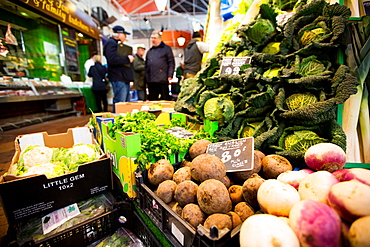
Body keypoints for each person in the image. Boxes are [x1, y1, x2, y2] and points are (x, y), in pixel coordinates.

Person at [103, 25, 135, 112]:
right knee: (120, 102)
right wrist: (127, 59)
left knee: (125, 102)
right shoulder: (111, 43)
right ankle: (117, 120)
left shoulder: (115, 44)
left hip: (123, 77)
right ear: (119, 34)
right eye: (124, 34)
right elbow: (112, 60)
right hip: (118, 77)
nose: (125, 37)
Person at [145, 31, 175, 101]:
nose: (153, 40)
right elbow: (146, 66)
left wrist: (170, 75)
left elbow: (171, 62)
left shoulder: (166, 49)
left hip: (163, 80)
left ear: (159, 39)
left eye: (155, 38)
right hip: (151, 81)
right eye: (152, 38)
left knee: (165, 99)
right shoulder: (150, 51)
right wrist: (147, 78)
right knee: (152, 100)